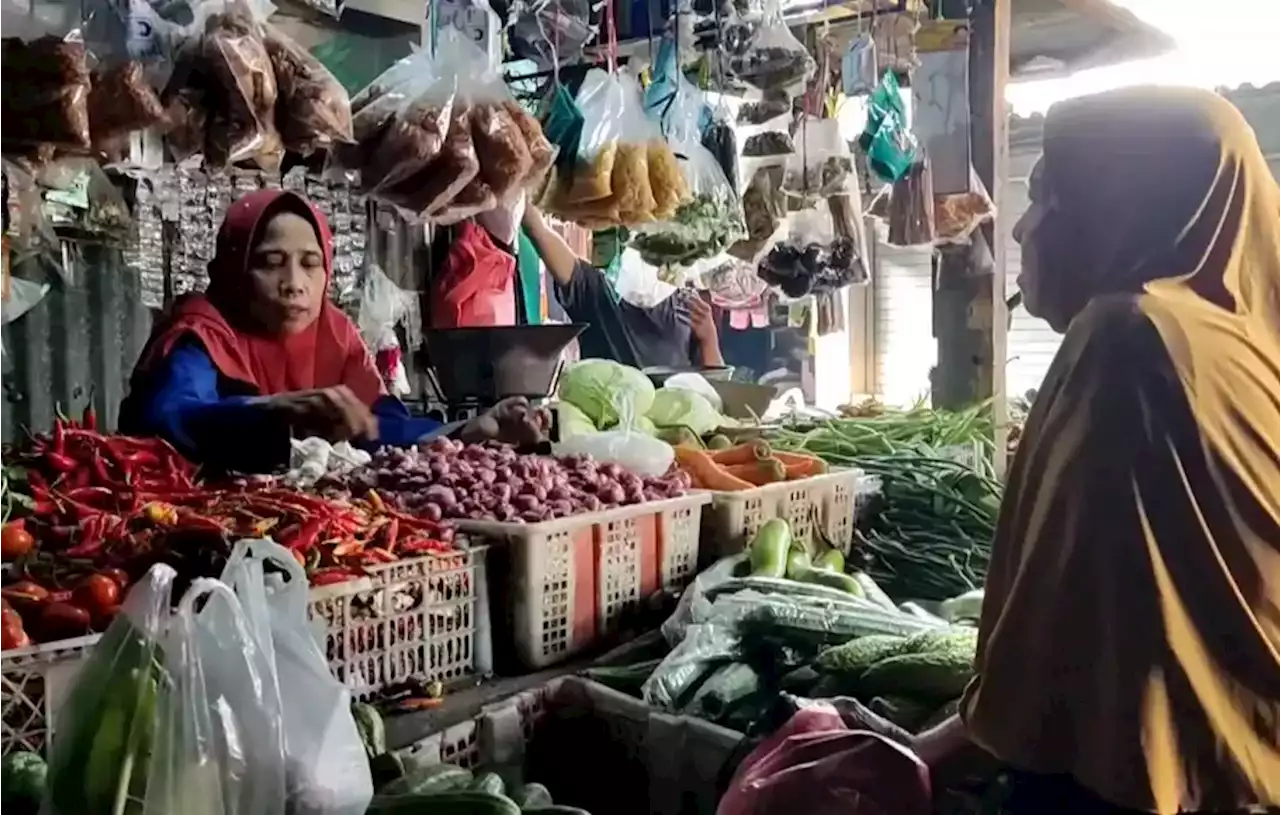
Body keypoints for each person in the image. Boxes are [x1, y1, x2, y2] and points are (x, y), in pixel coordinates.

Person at [912, 86, 1280, 814]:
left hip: (1142, 782)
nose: (1019, 230)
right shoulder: (1243, 346)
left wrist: (920, 753)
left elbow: (1059, 647)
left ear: (1124, 211)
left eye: (1048, 197)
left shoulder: (1131, 342)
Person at [121, 190, 547, 473]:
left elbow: (380, 425)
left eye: (310, 263)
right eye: (270, 262)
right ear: (234, 272)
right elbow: (169, 416)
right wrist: (274, 410)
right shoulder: (203, 331)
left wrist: (468, 431)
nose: (294, 283)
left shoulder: (335, 335)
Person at [520, 203, 724, 369]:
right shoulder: (600, 293)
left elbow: (716, 388)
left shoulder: (689, 308)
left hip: (670, 418)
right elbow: (538, 231)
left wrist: (709, 338)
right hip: (605, 416)